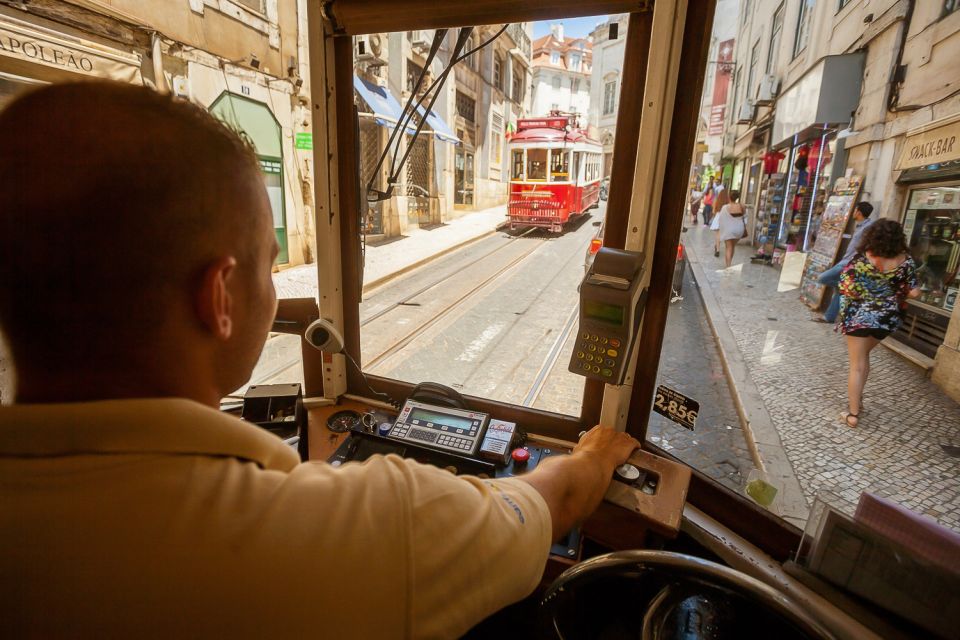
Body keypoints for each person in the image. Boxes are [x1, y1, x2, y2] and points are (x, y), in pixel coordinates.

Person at [0, 82, 640, 637]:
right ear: (218, 297)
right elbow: (551, 502)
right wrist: (596, 452)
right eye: (268, 266)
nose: (276, 288)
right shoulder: (378, 527)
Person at [837, 220, 920, 427]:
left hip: (859, 316)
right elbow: (913, 292)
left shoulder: (860, 259)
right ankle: (859, 401)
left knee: (857, 364)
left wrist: (866, 293)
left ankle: (853, 414)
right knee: (864, 357)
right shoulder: (906, 262)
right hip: (887, 318)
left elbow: (846, 287)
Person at [812, 202, 875, 324]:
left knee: (822, 278)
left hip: (850, 263)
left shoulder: (869, 227)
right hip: (846, 260)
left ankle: (843, 288)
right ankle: (829, 317)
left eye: (855, 210)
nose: (853, 212)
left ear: (859, 212)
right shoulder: (860, 226)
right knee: (841, 290)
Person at [715, 190, 746, 268]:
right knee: (732, 246)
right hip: (739, 230)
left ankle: (728, 266)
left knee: (728, 247)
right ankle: (729, 263)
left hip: (729, 230)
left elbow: (721, 219)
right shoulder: (742, 206)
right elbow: (745, 216)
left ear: (729, 197)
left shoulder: (725, 207)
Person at [710, 186, 730, 259]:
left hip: (718, 216)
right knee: (722, 234)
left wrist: (716, 214)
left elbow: (713, 211)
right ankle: (718, 246)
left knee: (718, 234)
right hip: (726, 218)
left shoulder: (716, 200)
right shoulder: (728, 202)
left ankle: (717, 249)